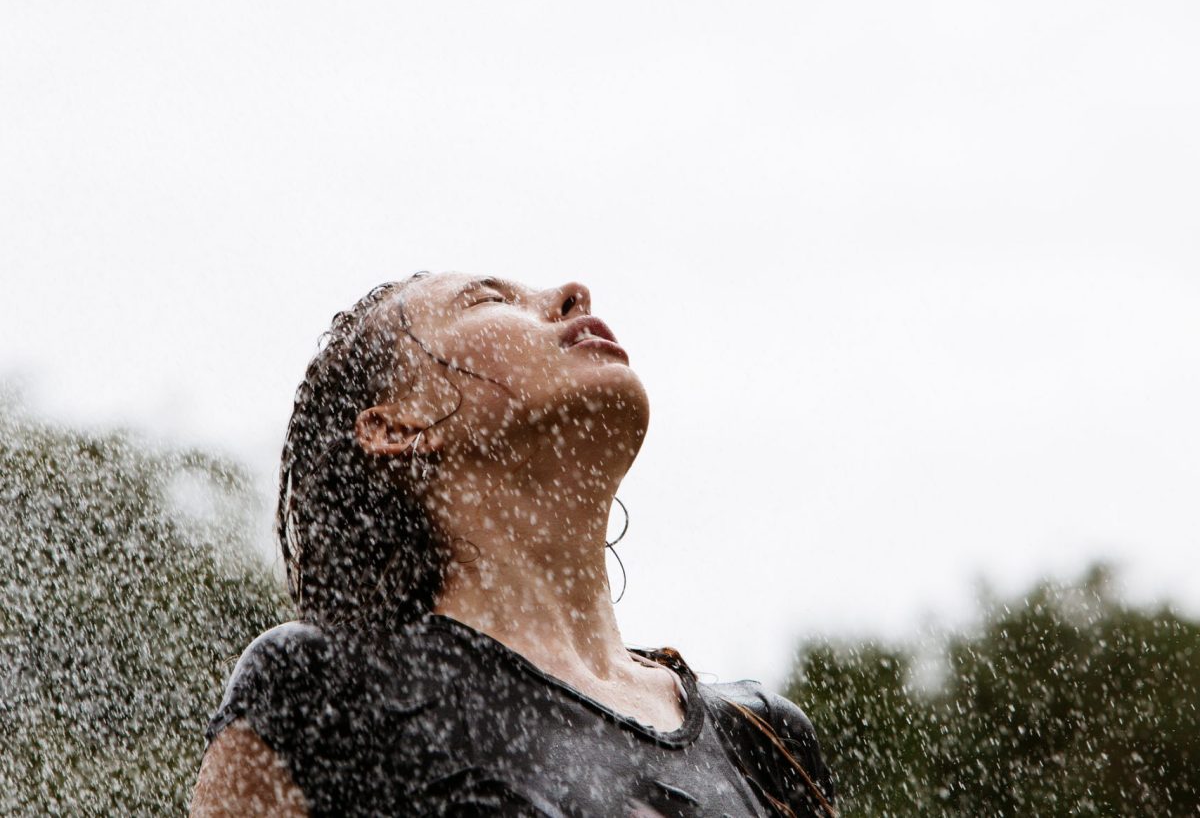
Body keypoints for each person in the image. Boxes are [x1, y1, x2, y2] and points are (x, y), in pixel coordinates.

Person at [191, 271, 836, 817]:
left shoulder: (764, 738)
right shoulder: (322, 688)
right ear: (396, 426)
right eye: (489, 300)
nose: (571, 293)